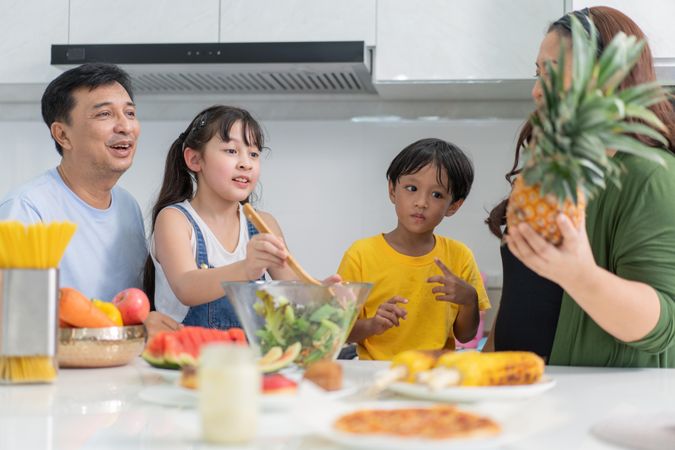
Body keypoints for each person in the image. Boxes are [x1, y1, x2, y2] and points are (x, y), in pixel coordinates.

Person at [485, 7, 675, 367]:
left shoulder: (651, 176)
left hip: (599, 405)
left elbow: (665, 324)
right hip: (518, 389)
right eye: (538, 73)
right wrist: (483, 363)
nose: (537, 90)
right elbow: (522, 292)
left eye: (553, 73)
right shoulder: (547, 171)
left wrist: (580, 275)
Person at [0, 63, 180, 337]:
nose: (125, 126)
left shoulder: (127, 207)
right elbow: (15, 324)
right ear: (63, 134)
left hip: (118, 369)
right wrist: (133, 332)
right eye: (105, 114)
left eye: (130, 113)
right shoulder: (27, 210)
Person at [144, 105, 338, 329]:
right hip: (189, 357)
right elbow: (186, 287)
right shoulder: (174, 219)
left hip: (248, 358)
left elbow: (291, 290)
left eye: (254, 154)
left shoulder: (264, 224)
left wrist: (320, 293)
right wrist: (247, 268)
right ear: (195, 159)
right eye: (231, 151)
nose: (246, 163)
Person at [338, 138, 490, 360]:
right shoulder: (360, 255)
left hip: (435, 374)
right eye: (412, 188)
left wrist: (470, 300)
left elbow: (466, 336)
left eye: (437, 195)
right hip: (376, 374)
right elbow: (338, 332)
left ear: (454, 206)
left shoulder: (460, 256)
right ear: (392, 189)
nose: (421, 202)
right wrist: (372, 325)